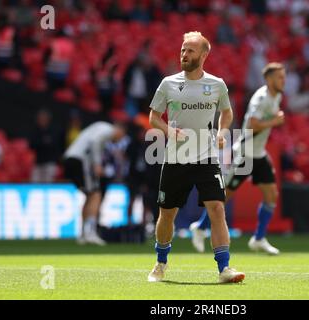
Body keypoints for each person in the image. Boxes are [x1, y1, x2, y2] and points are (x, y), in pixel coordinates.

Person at [147, 31, 245, 284]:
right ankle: (160, 263)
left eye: (190, 50)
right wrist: (169, 130)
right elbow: (153, 117)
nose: (184, 54)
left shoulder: (216, 84)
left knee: (217, 209)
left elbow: (227, 113)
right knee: (167, 214)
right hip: (175, 159)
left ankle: (224, 269)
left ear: (203, 55)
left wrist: (223, 132)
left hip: (207, 158)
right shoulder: (168, 83)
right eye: (182, 49)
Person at [190, 63, 287, 255]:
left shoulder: (277, 96)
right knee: (224, 196)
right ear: (268, 80)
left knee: (271, 195)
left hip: (258, 154)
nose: (283, 81)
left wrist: (273, 119)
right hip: (245, 153)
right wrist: (275, 121)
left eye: (284, 77)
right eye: (279, 77)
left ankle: (258, 239)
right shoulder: (261, 98)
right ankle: (200, 227)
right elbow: (252, 124)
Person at [63, 121, 127, 245]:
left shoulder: (99, 127)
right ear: (119, 130)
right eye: (120, 137)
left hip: (70, 159)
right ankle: (90, 232)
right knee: (96, 194)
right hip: (81, 160)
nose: (118, 141)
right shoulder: (108, 130)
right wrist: (97, 164)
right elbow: (95, 142)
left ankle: (83, 234)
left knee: (89, 196)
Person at [29, 109, 62, 183]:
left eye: (44, 118)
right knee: (35, 184)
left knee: (48, 184)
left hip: (50, 163)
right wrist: (43, 142)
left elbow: (54, 145)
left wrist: (42, 143)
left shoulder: (54, 131)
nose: (42, 120)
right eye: (40, 118)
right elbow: (31, 145)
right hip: (38, 163)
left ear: (48, 119)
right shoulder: (35, 131)